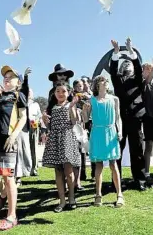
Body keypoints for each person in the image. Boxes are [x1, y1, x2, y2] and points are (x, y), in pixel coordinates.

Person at [0, 65, 27, 231]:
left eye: (11, 76)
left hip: (7, 140)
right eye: (5, 76)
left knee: (8, 177)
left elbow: (24, 117)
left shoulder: (19, 96)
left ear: (18, 82)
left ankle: (12, 216)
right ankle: (4, 193)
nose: (7, 78)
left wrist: (13, 135)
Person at [109, 38, 146, 191]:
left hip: (136, 118)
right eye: (124, 64)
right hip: (120, 120)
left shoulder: (137, 79)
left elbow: (138, 68)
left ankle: (140, 180)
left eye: (128, 63)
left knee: (137, 149)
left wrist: (131, 52)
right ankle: (116, 180)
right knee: (117, 149)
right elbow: (112, 71)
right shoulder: (117, 80)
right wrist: (116, 53)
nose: (127, 65)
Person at [83, 75, 124, 207]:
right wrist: (84, 110)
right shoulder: (91, 100)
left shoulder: (114, 99)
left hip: (111, 131)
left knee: (113, 164)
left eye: (106, 81)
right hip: (97, 133)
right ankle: (98, 195)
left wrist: (120, 131)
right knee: (98, 165)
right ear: (97, 85)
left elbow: (118, 117)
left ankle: (119, 195)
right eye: (102, 81)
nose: (105, 83)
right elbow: (85, 120)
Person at [42, 82, 81, 213]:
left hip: (67, 138)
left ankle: (71, 198)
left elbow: (74, 121)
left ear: (68, 93)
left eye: (63, 91)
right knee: (58, 171)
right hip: (55, 139)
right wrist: (45, 120)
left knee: (68, 171)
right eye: (58, 91)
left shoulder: (71, 105)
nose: (60, 93)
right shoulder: (51, 107)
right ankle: (62, 200)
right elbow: (49, 127)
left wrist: (73, 106)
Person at [28, 88, 42, 176]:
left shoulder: (35, 104)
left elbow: (39, 116)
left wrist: (36, 121)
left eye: (30, 92)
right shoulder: (21, 102)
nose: (28, 93)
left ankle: (34, 168)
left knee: (34, 149)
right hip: (22, 128)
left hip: (33, 127)